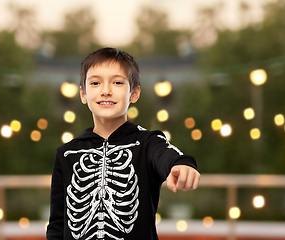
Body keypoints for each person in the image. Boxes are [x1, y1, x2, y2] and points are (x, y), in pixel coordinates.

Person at [47, 47, 200, 240]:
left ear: (134, 94)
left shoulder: (148, 143)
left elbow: (168, 156)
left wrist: (182, 165)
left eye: (117, 82)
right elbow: (57, 224)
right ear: (83, 94)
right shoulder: (66, 153)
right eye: (95, 83)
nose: (105, 91)